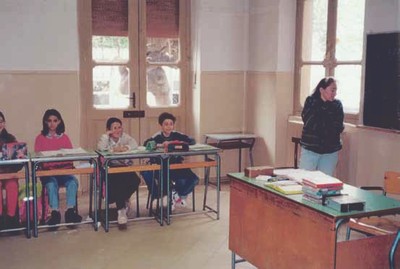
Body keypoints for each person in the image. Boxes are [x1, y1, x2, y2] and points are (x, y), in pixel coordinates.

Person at [34, 109, 82, 228]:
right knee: (51, 184)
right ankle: (54, 213)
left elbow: (70, 157)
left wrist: (58, 161)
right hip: (48, 173)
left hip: (64, 171)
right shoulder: (40, 138)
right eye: (49, 121)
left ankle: (70, 211)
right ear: (45, 122)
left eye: (55, 121)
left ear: (59, 121)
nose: (52, 124)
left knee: (72, 182)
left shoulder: (64, 137)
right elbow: (38, 159)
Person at [142, 112, 199, 211]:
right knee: (169, 181)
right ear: (161, 125)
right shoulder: (158, 136)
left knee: (194, 179)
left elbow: (192, 141)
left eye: (171, 124)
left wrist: (176, 143)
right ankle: (173, 196)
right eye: (166, 124)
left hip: (177, 165)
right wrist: (160, 145)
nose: (169, 126)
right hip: (162, 166)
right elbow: (146, 143)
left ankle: (178, 195)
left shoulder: (177, 134)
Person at [97, 117, 141, 226]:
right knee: (119, 182)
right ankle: (121, 211)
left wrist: (125, 147)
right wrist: (107, 137)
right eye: (114, 128)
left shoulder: (125, 137)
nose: (117, 130)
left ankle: (122, 199)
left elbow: (134, 144)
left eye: (119, 127)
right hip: (111, 169)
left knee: (136, 180)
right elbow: (101, 148)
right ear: (109, 130)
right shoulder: (106, 138)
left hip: (124, 167)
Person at [299, 77, 345, 176]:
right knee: (304, 179)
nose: (335, 93)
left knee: (325, 183)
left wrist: (324, 125)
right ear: (321, 90)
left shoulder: (337, 105)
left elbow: (338, 127)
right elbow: (309, 123)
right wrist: (326, 125)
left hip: (330, 151)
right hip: (310, 148)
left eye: (335, 90)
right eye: (332, 90)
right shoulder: (311, 101)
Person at [0, 111, 21, 229]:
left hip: (8, 172)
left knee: (12, 185)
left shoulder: (10, 138)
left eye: (1, 121)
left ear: (4, 123)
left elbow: (19, 159)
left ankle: (12, 217)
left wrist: (20, 154)